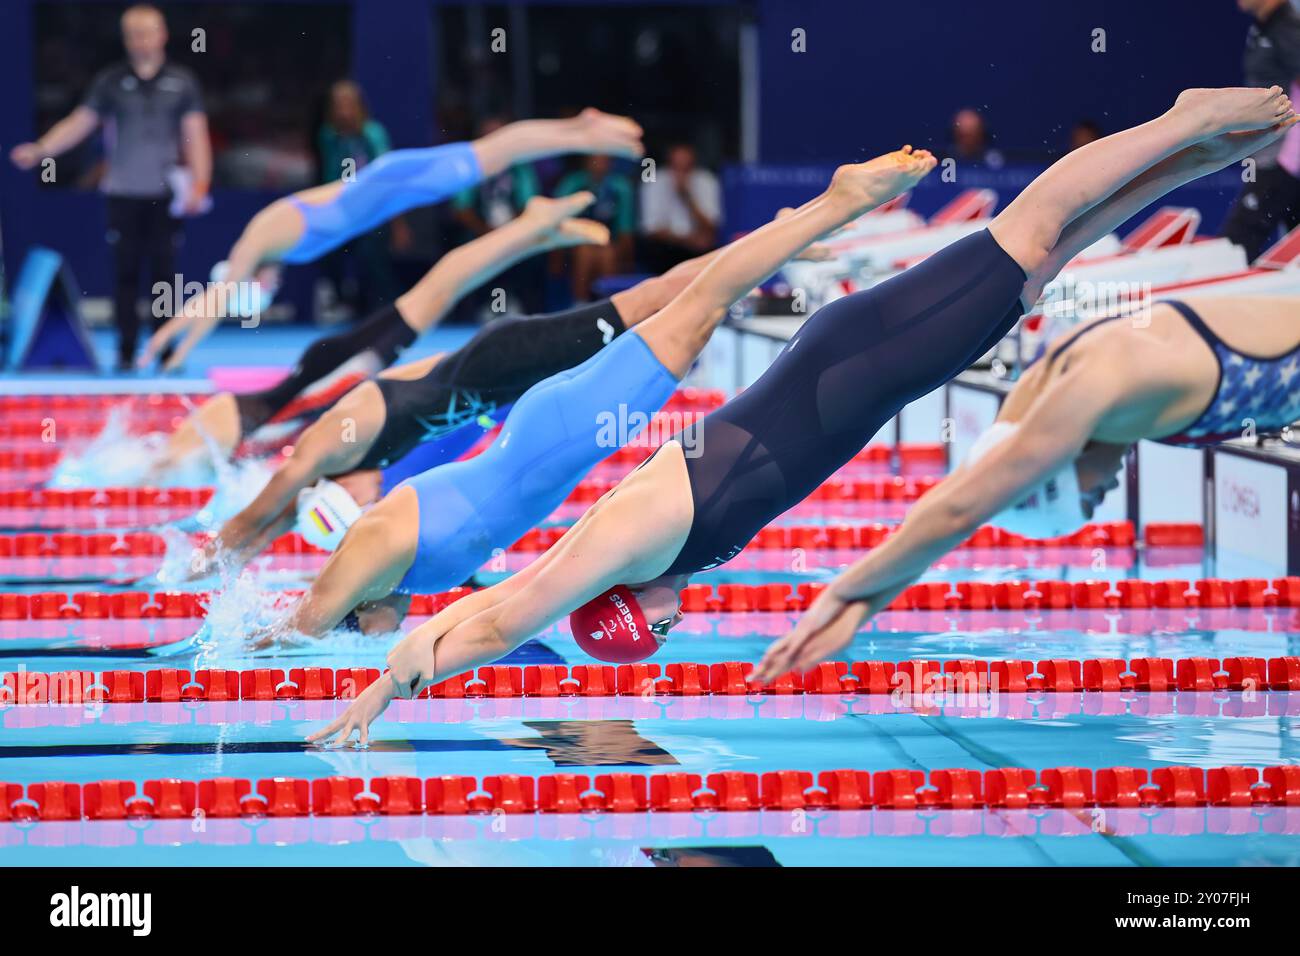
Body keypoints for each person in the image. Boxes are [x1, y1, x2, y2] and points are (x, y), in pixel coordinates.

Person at [305, 87, 1295, 747]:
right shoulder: (664, 559)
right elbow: (506, 598)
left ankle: (1180, 120)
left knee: (1028, 232)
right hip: (860, 372)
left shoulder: (628, 543)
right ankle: (1202, 152)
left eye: (649, 630)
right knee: (1046, 255)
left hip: (857, 363)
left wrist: (388, 684)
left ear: (626, 608)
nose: (670, 623)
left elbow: (507, 608)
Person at [758, 286, 1300, 680]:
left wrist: (835, 598)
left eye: (1090, 498)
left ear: (1055, 462)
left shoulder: (1104, 392)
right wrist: (863, 606)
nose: (1107, 492)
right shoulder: (1045, 380)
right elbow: (960, 496)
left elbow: (958, 512)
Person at [189, 209, 751, 580]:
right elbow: (277, 524)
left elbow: (250, 520)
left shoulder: (323, 452)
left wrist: (198, 569)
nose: (371, 508)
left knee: (650, 300)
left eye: (358, 508)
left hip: (502, 360)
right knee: (649, 318)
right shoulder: (372, 473)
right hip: (502, 387)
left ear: (336, 489)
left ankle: (774, 240)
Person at [138, 108, 644, 371]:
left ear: (242, 276)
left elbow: (216, 299)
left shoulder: (260, 237)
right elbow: (212, 299)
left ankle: (581, 129)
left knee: (495, 152)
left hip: (391, 182)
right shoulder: (278, 250)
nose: (266, 293)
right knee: (492, 153)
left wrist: (177, 355)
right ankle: (579, 130)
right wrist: (159, 343)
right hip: (392, 189)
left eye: (258, 291)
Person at [152, 193, 607, 476]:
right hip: (327, 376)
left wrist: (176, 348)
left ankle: (531, 226)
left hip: (331, 374)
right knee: (435, 292)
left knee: (436, 292)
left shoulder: (205, 438)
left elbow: (171, 468)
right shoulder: (227, 438)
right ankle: (536, 234)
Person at [9, 3, 210, 371]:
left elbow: (196, 136)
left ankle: (164, 350)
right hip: (122, 195)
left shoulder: (182, 83)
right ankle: (126, 351)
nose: (141, 40)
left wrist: (200, 183)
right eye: (133, 33)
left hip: (164, 196)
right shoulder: (111, 82)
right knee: (126, 275)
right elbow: (80, 123)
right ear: (125, 39)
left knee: (165, 277)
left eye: (148, 31)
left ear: (163, 34)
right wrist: (42, 149)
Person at [1222, 0, 1300, 259]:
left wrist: (1288, 160)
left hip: (1280, 160)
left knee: (1233, 248)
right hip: (1274, 157)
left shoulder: (1288, 27)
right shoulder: (1263, 27)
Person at [316, 79, 400, 314]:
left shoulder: (373, 133)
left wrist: (397, 221)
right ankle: (340, 303)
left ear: (358, 105)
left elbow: (386, 175)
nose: (344, 108)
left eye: (348, 102)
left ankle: (386, 310)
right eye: (338, 103)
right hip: (340, 210)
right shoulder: (329, 135)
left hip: (372, 211)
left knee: (372, 258)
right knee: (328, 253)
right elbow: (331, 175)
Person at [451, 115, 546, 315]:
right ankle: (491, 306)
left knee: (525, 250)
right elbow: (461, 209)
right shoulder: (471, 170)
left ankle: (515, 304)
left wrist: (512, 230)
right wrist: (485, 230)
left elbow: (531, 205)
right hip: (480, 232)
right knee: (483, 252)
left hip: (516, 231)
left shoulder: (520, 168)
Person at [555, 154, 637, 300]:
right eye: (595, 159)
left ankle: (607, 304)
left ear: (611, 163)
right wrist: (556, 258)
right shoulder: (573, 184)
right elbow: (557, 222)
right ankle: (580, 302)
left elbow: (625, 230)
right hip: (575, 243)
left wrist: (627, 262)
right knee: (585, 253)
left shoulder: (620, 187)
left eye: (604, 159)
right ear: (586, 161)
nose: (599, 164)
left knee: (607, 254)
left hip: (609, 244)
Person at [637, 142, 721, 272]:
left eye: (686, 168)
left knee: (709, 248)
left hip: (698, 250)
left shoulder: (706, 180)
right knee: (658, 249)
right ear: (669, 165)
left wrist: (687, 198)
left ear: (693, 165)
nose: (681, 173)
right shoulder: (654, 182)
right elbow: (651, 229)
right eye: (676, 167)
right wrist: (687, 240)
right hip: (666, 248)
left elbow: (712, 225)